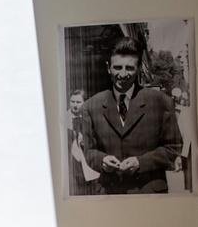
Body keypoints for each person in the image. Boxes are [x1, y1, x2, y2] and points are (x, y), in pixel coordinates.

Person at [78, 37, 182, 194]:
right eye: (117, 68)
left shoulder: (161, 102)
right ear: (108, 68)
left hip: (149, 194)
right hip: (109, 193)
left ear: (139, 68)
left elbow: (173, 147)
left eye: (129, 68)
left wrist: (141, 163)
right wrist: (102, 160)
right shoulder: (91, 106)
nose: (123, 74)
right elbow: (89, 151)